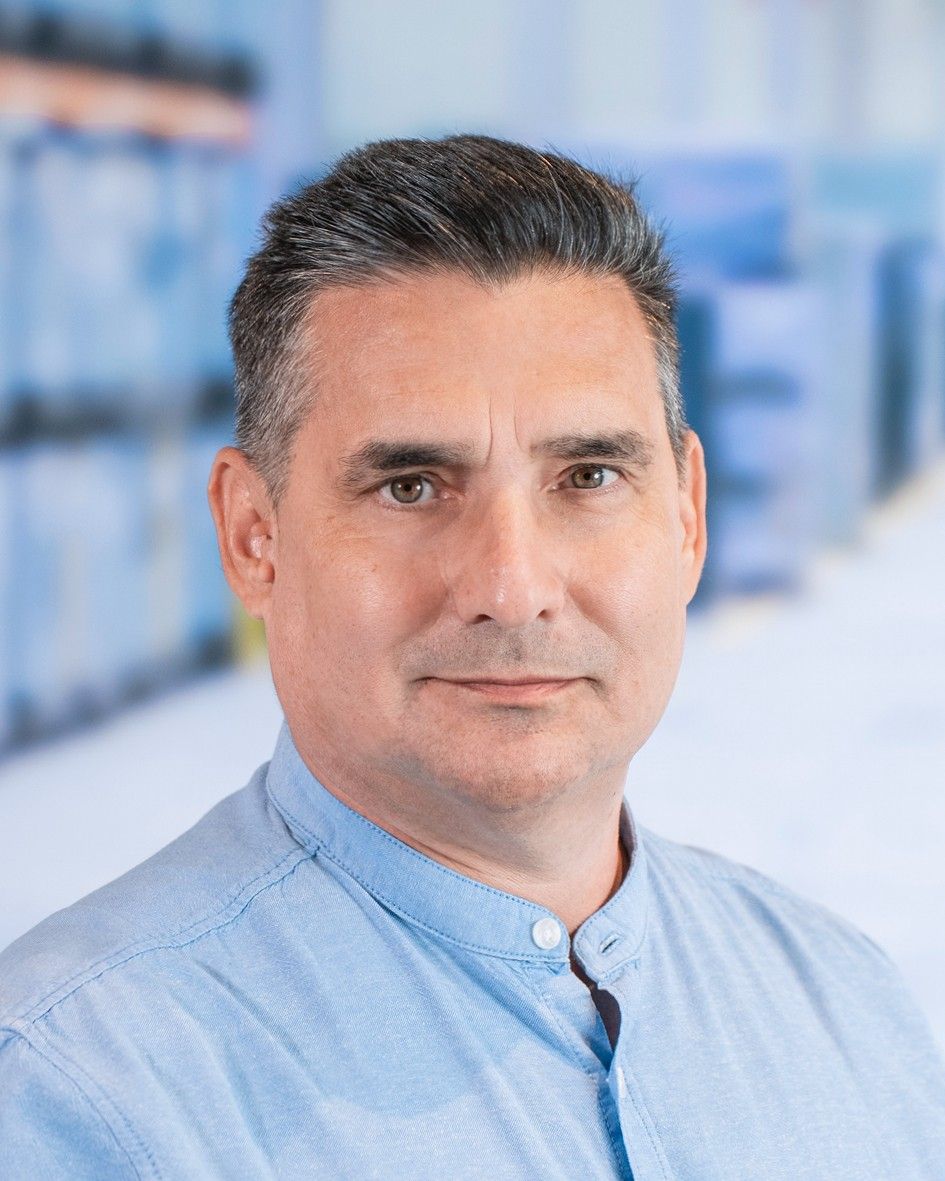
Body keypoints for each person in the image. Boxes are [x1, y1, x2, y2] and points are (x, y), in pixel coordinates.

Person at [1, 134, 943, 1181]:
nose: (511, 586)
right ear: (253, 535)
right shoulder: (79, 1093)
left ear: (687, 515)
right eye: (412, 485)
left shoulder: (852, 1013)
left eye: (587, 475)